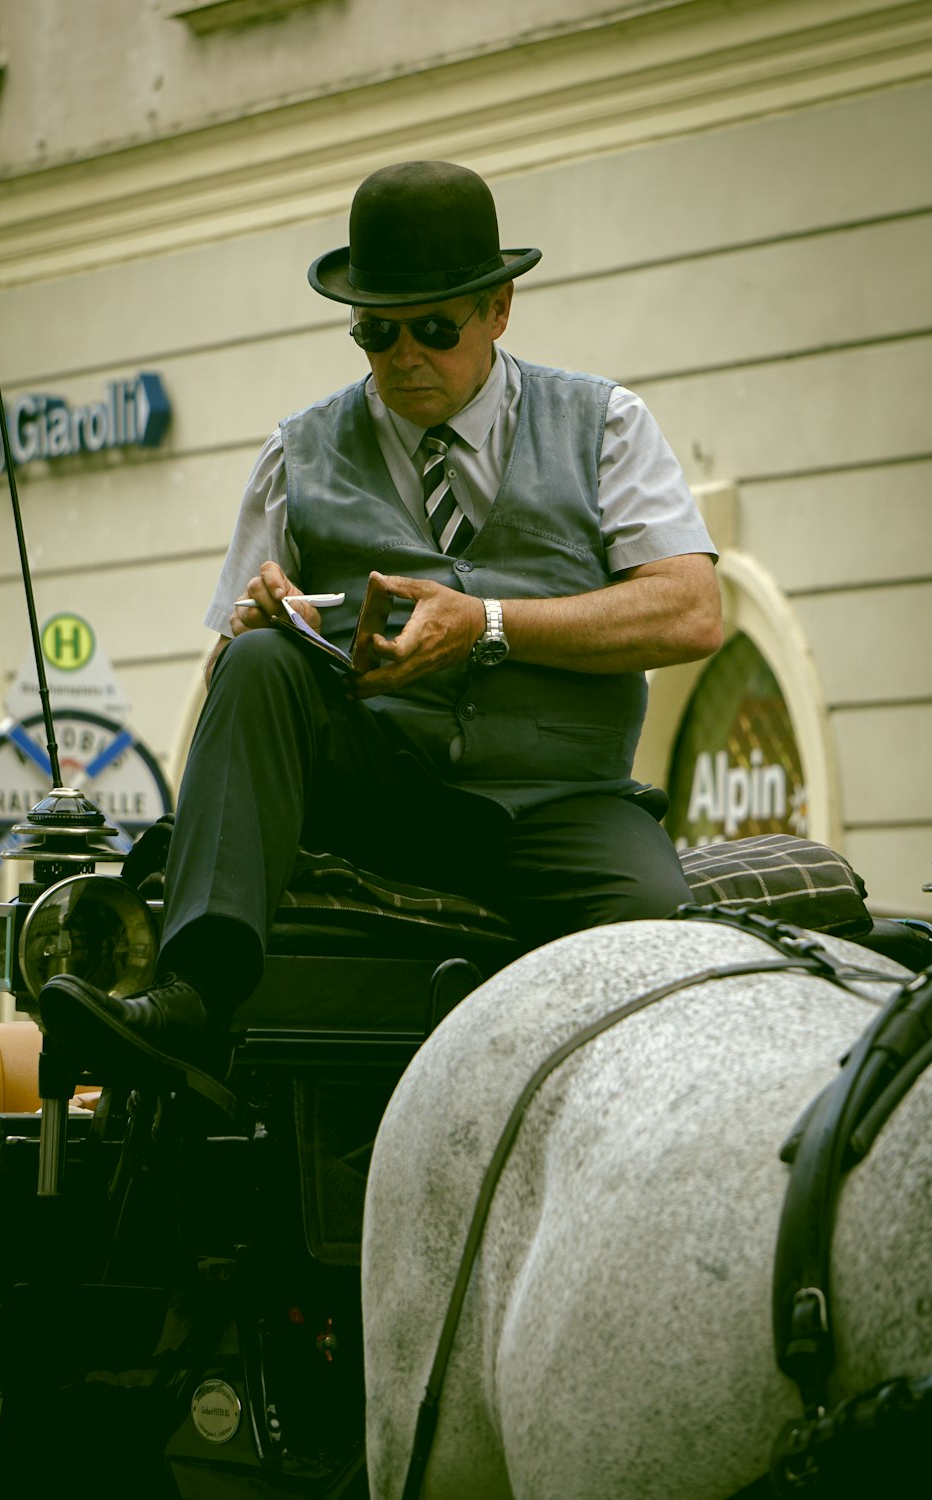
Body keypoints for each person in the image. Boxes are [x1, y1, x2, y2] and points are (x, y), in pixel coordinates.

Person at [40, 160, 722, 1092]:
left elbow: (690, 610)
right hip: (373, 796)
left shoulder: (604, 423)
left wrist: (487, 623)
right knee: (258, 661)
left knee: (661, 953)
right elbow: (230, 688)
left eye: (435, 329)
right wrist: (254, 623)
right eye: (376, 331)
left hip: (560, 803)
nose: (405, 357)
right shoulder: (297, 450)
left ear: (498, 309)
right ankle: (194, 995)